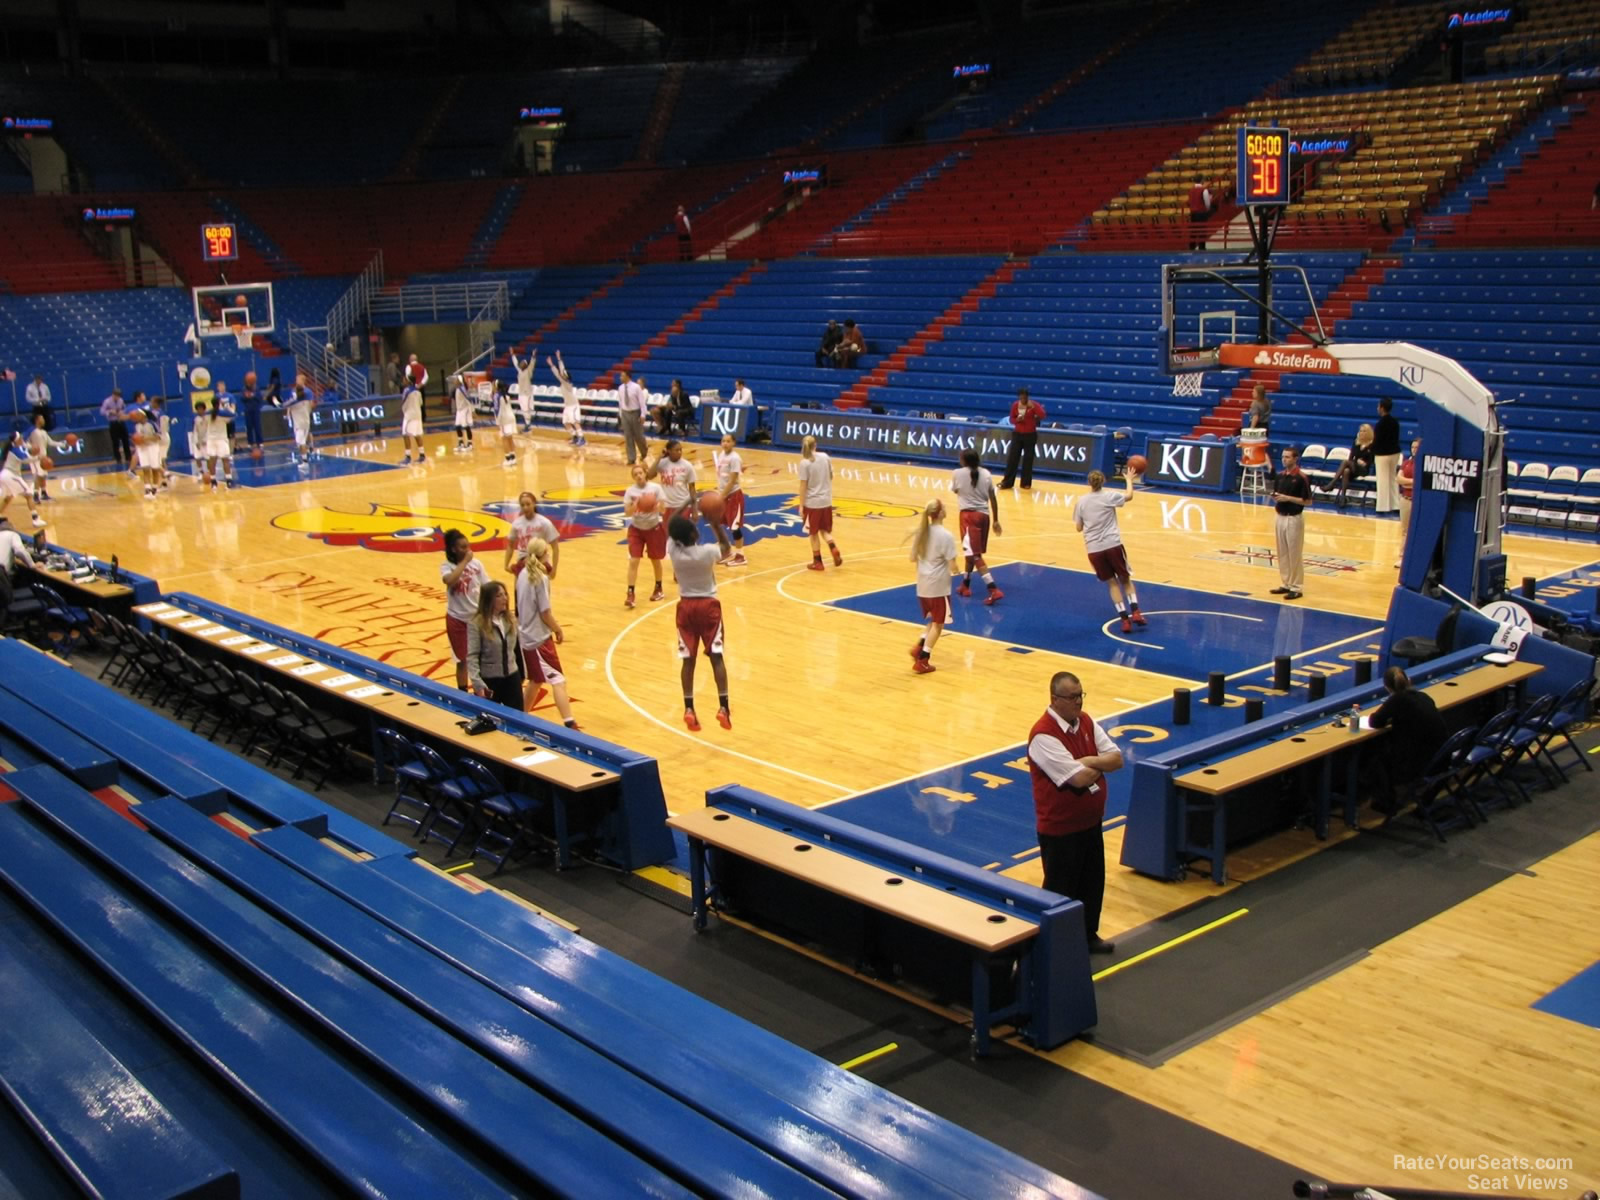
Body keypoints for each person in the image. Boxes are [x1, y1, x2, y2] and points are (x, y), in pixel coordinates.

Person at [1027, 670, 1123, 954]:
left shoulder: (1086, 722)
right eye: (1072, 698)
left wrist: (1087, 760)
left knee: (1092, 883)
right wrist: (1096, 766)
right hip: (1061, 830)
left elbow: (1116, 758)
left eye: (1081, 696)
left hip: (1091, 822)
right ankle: (1051, 948)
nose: (1079, 703)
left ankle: (1088, 935)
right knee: (1060, 891)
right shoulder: (1042, 735)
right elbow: (1078, 779)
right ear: (1055, 699)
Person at [668, 513, 734, 731]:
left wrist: (687, 508)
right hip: (708, 607)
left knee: (688, 661)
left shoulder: (675, 553)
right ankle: (723, 707)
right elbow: (727, 549)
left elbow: (672, 525)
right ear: (692, 534)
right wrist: (716, 525)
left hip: (685, 607)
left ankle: (689, 708)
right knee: (716, 657)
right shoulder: (707, 552)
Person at [515, 537, 580, 729]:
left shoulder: (522, 574)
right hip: (538, 638)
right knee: (558, 680)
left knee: (536, 680)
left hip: (525, 634)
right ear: (544, 554)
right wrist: (557, 628)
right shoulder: (540, 578)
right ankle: (569, 722)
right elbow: (545, 612)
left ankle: (519, 718)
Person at [1367, 666, 1449, 814]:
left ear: (1387, 687)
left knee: (1374, 760)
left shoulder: (1397, 700)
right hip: (1443, 757)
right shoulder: (1423, 696)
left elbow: (1375, 721)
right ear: (1409, 681)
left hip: (1424, 764)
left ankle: (1386, 803)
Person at [1075, 468, 1144, 632]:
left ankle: (1124, 620)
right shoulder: (1109, 496)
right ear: (1103, 481)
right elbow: (1129, 496)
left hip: (1094, 549)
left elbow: (1078, 527)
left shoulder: (1081, 502)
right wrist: (1128, 479)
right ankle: (1136, 612)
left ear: (1089, 483)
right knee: (1125, 579)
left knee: (1112, 584)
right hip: (1112, 544)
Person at [910, 498, 958, 674]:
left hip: (922, 585)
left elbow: (912, 557)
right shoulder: (946, 535)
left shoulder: (921, 532)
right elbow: (952, 564)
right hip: (938, 586)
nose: (946, 508)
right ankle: (923, 659)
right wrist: (959, 571)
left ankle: (919, 647)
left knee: (932, 621)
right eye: (944, 507)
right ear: (939, 513)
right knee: (938, 624)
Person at [952, 449, 1004, 604]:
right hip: (984, 516)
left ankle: (993, 589)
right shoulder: (986, 473)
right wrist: (996, 520)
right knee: (971, 552)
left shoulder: (957, 473)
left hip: (968, 517)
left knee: (975, 555)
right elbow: (993, 498)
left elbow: (956, 491)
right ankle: (965, 585)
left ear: (964, 460)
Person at [440, 528, 489, 692]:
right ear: (453, 549)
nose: (467, 550)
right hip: (457, 619)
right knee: (462, 661)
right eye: (462, 547)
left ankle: (480, 691)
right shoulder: (446, 566)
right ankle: (462, 693)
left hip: (476, 619)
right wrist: (464, 562)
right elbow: (450, 581)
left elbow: (487, 585)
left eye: (468, 546)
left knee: (480, 659)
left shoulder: (477, 564)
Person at [465, 580, 524, 711]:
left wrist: (522, 673)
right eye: (499, 596)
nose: (505, 598)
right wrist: (477, 684)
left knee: (518, 720)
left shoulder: (510, 619)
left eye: (505, 594)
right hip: (489, 682)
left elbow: (517, 650)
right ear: (488, 600)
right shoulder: (476, 623)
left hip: (512, 678)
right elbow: (472, 656)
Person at [623, 463, 667, 608]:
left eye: (640, 473)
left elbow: (664, 509)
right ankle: (630, 593)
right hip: (636, 529)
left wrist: (654, 506)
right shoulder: (630, 491)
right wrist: (637, 505)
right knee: (634, 561)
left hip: (653, 528)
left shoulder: (655, 488)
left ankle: (658, 587)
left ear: (645, 473)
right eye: (635, 474)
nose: (638, 476)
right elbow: (627, 513)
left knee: (655, 560)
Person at [1271, 446, 1312, 601]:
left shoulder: (1301, 478)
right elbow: (1278, 494)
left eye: (1287, 457)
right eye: (1283, 457)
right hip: (1280, 516)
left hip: (1294, 518)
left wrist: (1288, 498)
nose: (1284, 459)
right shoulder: (1280, 476)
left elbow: (1308, 501)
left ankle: (1297, 587)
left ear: (1295, 459)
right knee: (1282, 552)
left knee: (1294, 553)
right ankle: (1286, 583)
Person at [798, 435, 842, 571]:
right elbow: (831, 476)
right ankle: (832, 545)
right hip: (826, 501)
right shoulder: (825, 457)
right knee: (824, 529)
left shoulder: (804, 463)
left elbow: (803, 486)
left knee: (813, 533)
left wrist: (801, 505)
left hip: (812, 503)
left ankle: (818, 562)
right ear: (815, 445)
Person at [504, 490, 560, 581]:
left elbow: (555, 548)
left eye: (528, 504)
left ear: (534, 504)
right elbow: (510, 545)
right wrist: (506, 564)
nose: (525, 507)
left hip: (540, 561)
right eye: (522, 505)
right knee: (519, 592)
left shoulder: (544, 523)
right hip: (522, 562)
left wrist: (554, 570)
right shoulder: (516, 523)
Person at [1320, 422, 1375, 509]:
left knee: (1345, 462)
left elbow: (1373, 460)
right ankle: (1342, 497)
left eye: (1364, 431)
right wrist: (1356, 460)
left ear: (1368, 433)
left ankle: (1331, 484)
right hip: (1354, 467)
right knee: (1346, 471)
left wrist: (1365, 463)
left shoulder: (1372, 445)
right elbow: (1352, 456)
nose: (1362, 433)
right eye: (1360, 431)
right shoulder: (1356, 442)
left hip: (1364, 469)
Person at [713, 433, 748, 567]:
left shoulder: (735, 458)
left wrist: (721, 497)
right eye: (723, 441)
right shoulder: (721, 456)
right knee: (718, 523)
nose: (725, 443)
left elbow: (732, 481)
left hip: (733, 496)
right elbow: (722, 478)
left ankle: (741, 556)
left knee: (735, 527)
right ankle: (727, 552)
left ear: (734, 443)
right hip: (724, 495)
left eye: (728, 441)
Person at [999, 387, 1043, 491]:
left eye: (1025, 397)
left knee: (1028, 459)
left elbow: (1042, 415)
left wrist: (1034, 408)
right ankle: (1007, 482)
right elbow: (1011, 419)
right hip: (1017, 434)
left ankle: (1026, 483)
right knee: (1012, 458)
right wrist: (1017, 420)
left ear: (1027, 397)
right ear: (1019, 397)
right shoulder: (1015, 405)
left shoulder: (1034, 405)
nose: (1023, 399)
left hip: (1030, 434)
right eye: (1021, 397)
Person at [647, 438, 698, 525]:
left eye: (680, 450)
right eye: (676, 450)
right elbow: (649, 476)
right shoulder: (662, 463)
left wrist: (695, 510)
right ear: (669, 451)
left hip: (683, 505)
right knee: (668, 534)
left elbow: (692, 489)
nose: (679, 452)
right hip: (667, 506)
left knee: (681, 535)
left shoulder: (687, 465)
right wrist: (659, 457)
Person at [24, 414, 70, 506]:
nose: (44, 420)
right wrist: (31, 447)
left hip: (43, 457)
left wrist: (63, 445)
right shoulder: (31, 431)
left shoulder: (44, 432)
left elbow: (51, 442)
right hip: (35, 458)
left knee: (43, 476)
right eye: (42, 418)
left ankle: (44, 493)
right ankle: (35, 495)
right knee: (38, 475)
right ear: (37, 420)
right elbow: (23, 442)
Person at [0, 434, 44, 526]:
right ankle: (36, 519)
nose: (22, 439)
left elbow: (26, 449)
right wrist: (37, 457)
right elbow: (25, 459)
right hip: (11, 476)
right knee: (29, 495)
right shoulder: (16, 449)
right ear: (16, 440)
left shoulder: (14, 448)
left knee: (8, 498)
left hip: (4, 475)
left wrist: (32, 450)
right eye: (20, 438)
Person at [195, 396, 236, 491]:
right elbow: (233, 415)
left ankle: (213, 482)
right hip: (221, 439)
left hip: (211, 440)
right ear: (219, 403)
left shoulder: (207, 414)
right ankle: (229, 481)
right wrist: (226, 407)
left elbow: (204, 423)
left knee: (212, 461)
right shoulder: (223, 414)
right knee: (225, 460)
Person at [1372, 397, 1401, 514]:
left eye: (1378, 406)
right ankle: (1395, 505)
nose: (1377, 408)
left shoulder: (1380, 424)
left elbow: (1377, 441)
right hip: (1395, 452)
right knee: (1392, 478)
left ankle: (1382, 507)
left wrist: (1370, 449)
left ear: (1382, 408)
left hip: (1382, 455)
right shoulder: (1395, 422)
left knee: (1382, 480)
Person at [1395, 437, 1420, 569]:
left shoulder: (1423, 464)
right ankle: (1402, 557)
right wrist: (1412, 482)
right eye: (1412, 447)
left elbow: (1421, 482)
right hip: (1405, 499)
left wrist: (1407, 482)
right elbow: (1398, 479)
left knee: (1417, 530)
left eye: (1417, 447)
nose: (1414, 450)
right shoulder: (1406, 462)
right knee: (1405, 530)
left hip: (1418, 501)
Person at [549, 351, 583, 445]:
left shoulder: (568, 384)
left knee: (575, 422)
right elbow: (562, 370)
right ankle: (575, 436)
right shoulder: (563, 382)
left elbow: (559, 374)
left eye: (563, 374)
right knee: (565, 423)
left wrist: (552, 365)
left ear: (566, 377)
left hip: (574, 405)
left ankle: (582, 438)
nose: (562, 374)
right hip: (567, 406)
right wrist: (559, 359)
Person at [616, 368, 648, 466]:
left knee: (638, 436)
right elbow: (621, 402)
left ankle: (644, 451)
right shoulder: (620, 388)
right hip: (625, 413)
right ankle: (631, 458)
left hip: (635, 412)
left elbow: (642, 402)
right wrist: (621, 414)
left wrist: (643, 414)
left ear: (627, 376)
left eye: (622, 375)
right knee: (628, 436)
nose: (620, 377)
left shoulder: (636, 387)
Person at [283, 375, 317, 464]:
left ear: (303, 380)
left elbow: (311, 403)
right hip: (300, 416)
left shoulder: (308, 392)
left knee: (305, 436)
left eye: (298, 379)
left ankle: (310, 449)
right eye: (296, 379)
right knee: (302, 438)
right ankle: (306, 452)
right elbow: (289, 404)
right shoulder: (294, 391)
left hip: (304, 415)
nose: (297, 381)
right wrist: (288, 414)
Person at [1247, 382, 1275, 482]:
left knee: (1252, 448)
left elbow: (1255, 417)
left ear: (1258, 393)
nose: (1252, 392)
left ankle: (1252, 471)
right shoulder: (1267, 401)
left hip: (1257, 427)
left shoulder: (1255, 403)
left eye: (1253, 391)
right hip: (1265, 427)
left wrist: (1251, 429)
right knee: (1262, 449)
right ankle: (1270, 467)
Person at [101, 386, 132, 473]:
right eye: (116, 395)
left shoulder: (121, 400)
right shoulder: (107, 401)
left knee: (125, 440)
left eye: (118, 395)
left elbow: (124, 408)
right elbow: (102, 411)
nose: (117, 397)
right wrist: (110, 411)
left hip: (121, 422)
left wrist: (122, 412)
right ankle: (118, 458)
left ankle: (128, 457)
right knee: (115, 442)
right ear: (113, 394)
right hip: (113, 423)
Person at [399, 381, 427, 465]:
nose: (403, 380)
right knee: (417, 434)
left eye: (404, 379)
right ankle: (422, 455)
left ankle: (408, 457)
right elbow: (421, 403)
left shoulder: (406, 391)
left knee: (405, 435)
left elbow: (403, 403)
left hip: (409, 416)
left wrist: (405, 411)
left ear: (408, 381)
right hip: (418, 415)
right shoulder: (418, 391)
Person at [239, 374, 265, 457]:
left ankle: (260, 443)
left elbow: (260, 398)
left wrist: (252, 396)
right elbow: (242, 398)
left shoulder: (256, 388)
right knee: (249, 427)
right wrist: (249, 396)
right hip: (248, 410)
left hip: (256, 410)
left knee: (257, 426)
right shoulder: (244, 389)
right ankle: (250, 443)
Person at [495, 378, 518, 465]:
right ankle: (513, 457)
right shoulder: (506, 395)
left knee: (504, 439)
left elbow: (498, 410)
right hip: (511, 417)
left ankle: (508, 459)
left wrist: (498, 421)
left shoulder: (497, 396)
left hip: (504, 419)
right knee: (510, 439)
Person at [1187, 178, 1214, 249]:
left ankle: (1191, 247)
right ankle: (1202, 247)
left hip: (1193, 213)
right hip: (1201, 213)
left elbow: (1190, 202)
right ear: (1202, 181)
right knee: (1202, 231)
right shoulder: (1204, 190)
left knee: (1193, 231)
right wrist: (1207, 209)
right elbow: (1207, 203)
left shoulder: (1190, 190)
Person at [450, 375, 474, 453]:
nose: (454, 381)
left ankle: (470, 444)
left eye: (456, 380)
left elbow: (468, 399)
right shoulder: (457, 389)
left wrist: (472, 411)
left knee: (466, 426)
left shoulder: (462, 389)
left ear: (459, 381)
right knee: (457, 426)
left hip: (465, 409)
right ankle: (461, 443)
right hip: (459, 410)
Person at [513, 352, 536, 428]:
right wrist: (513, 354)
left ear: (525, 365)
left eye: (523, 363)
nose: (521, 363)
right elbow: (515, 363)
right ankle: (527, 423)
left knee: (526, 409)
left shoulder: (528, 371)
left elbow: (532, 364)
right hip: (522, 393)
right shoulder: (520, 371)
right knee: (524, 410)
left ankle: (528, 424)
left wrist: (533, 355)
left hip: (526, 393)